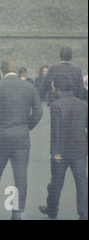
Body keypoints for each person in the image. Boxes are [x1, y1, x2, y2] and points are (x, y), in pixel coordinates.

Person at [0, 57, 43, 220]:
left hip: (2, 135)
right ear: (17, 69)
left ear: (3, 70)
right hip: (21, 136)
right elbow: (38, 111)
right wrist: (28, 125)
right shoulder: (29, 86)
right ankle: (17, 211)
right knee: (20, 174)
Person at [38, 74, 88, 220]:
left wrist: (55, 152)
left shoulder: (56, 106)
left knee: (56, 182)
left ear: (58, 88)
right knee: (81, 181)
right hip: (80, 150)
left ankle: (52, 210)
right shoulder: (83, 105)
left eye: (53, 86)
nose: (52, 89)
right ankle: (83, 212)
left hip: (62, 151)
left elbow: (56, 131)